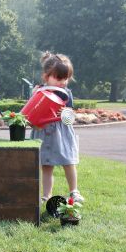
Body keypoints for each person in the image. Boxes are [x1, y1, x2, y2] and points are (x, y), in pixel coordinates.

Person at [31, 51, 84, 203]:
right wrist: (34, 96)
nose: (63, 82)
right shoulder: (39, 91)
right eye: (58, 78)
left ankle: (74, 191)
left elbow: (70, 118)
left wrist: (66, 113)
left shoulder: (66, 93)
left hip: (62, 132)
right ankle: (46, 195)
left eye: (66, 78)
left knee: (68, 162)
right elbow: (31, 112)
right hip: (43, 132)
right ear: (46, 76)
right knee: (46, 165)